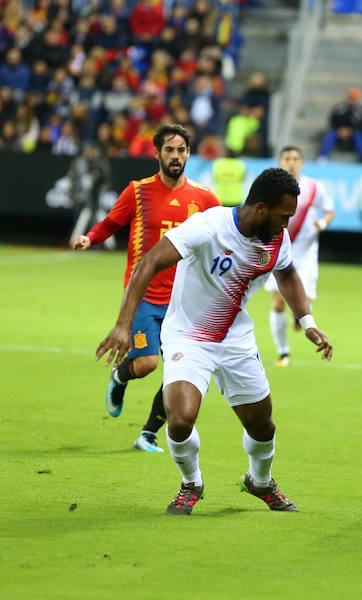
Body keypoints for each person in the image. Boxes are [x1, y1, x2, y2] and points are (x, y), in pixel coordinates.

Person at [95, 168, 334, 515]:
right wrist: (122, 324)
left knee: (262, 425)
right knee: (180, 418)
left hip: (236, 341)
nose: (287, 224)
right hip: (188, 337)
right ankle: (191, 484)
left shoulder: (276, 238)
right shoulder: (207, 227)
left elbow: (287, 274)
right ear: (261, 208)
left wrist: (307, 322)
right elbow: (148, 263)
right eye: (284, 216)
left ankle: (260, 481)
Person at [73, 124, 220, 453]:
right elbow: (111, 223)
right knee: (147, 364)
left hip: (184, 301)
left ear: (188, 153)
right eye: (169, 150)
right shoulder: (138, 191)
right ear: (157, 153)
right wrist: (90, 237)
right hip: (143, 297)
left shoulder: (205, 198)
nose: (175, 156)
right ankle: (120, 377)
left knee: (181, 373)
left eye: (181, 150)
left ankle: (148, 434)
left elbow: (221, 237)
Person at [264, 146, 335, 366]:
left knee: (305, 302)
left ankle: (298, 316)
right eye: (287, 158)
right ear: (280, 162)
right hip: (278, 251)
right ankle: (283, 353)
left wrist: (322, 223)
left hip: (306, 253)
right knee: (277, 303)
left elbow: (329, 210)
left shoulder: (313, 187)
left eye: (295, 159)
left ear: (301, 163)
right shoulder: (270, 187)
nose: (291, 163)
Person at [68, 142, 112, 248]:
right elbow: (73, 177)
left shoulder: (99, 163)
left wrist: (95, 182)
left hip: (97, 195)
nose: (88, 153)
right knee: (86, 215)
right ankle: (76, 241)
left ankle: (109, 244)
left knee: (99, 215)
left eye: (90, 151)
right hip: (83, 195)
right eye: (87, 151)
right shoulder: (80, 162)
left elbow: (105, 179)